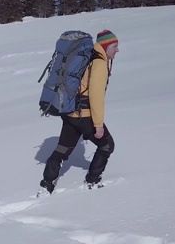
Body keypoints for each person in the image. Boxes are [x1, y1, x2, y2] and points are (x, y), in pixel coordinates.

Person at [39, 29, 119, 195]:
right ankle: (92, 180)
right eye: (114, 46)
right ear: (105, 46)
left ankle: (46, 184)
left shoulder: (87, 56)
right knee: (107, 145)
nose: (117, 50)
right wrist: (98, 125)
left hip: (70, 114)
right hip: (85, 116)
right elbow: (96, 96)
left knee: (62, 150)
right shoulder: (99, 63)